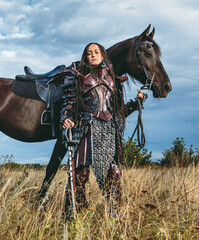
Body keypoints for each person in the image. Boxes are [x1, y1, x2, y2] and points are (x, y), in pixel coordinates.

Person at [59, 43, 144, 218]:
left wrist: (137, 103)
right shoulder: (77, 76)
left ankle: (114, 214)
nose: (93, 55)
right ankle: (73, 215)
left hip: (108, 130)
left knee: (114, 173)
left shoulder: (113, 79)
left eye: (96, 52)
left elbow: (118, 112)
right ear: (85, 56)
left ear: (103, 55)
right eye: (89, 53)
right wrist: (66, 118)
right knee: (79, 175)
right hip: (86, 127)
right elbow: (68, 103)